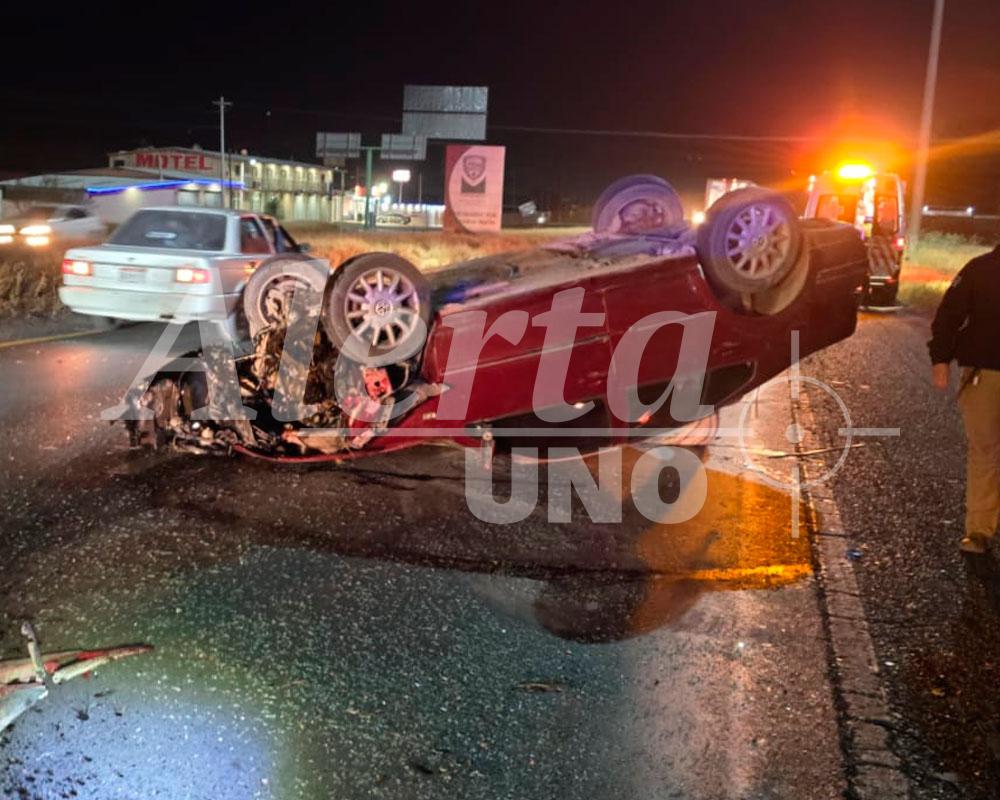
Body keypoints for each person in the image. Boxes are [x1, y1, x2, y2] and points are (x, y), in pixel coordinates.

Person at [929, 243, 1000, 553]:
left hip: (983, 372)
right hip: (984, 372)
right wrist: (940, 358)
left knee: (985, 453)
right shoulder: (980, 269)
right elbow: (949, 313)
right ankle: (980, 531)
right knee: (985, 451)